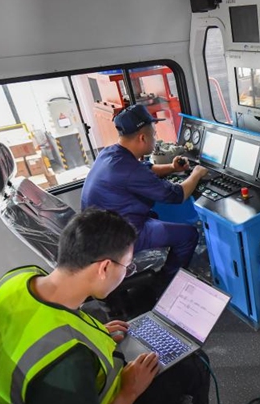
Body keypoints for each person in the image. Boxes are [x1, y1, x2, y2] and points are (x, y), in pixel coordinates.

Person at [0, 209, 225, 404]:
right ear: (105, 268)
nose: (127, 272)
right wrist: (128, 392)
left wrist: (97, 332)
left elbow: (49, 319)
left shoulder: (17, 279)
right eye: (127, 266)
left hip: (24, 400)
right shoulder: (64, 363)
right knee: (193, 365)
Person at [81, 104, 208, 280]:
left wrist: (172, 168)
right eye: (154, 134)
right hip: (120, 237)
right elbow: (177, 195)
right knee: (188, 234)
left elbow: (145, 169)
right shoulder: (129, 169)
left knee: (155, 215)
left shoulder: (110, 153)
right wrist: (197, 173)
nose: (155, 138)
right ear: (142, 138)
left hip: (100, 232)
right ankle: (166, 282)